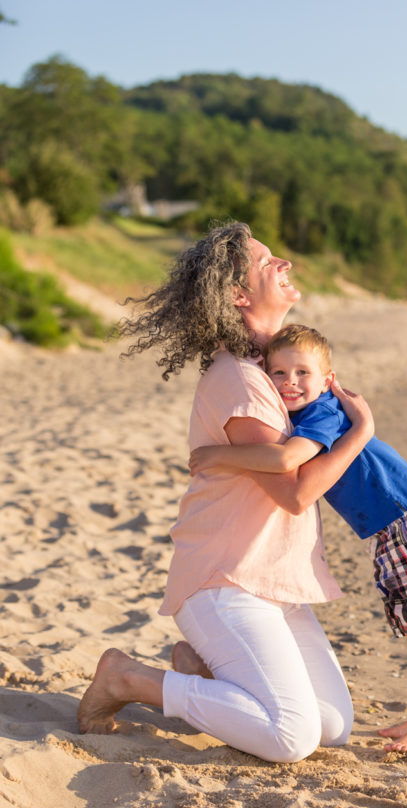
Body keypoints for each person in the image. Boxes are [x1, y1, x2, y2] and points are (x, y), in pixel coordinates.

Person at [78, 223, 375, 763]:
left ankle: (209, 671)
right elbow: (293, 493)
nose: (283, 262)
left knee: (332, 726)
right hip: (225, 582)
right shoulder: (240, 379)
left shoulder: (275, 373)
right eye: (267, 263)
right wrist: (360, 433)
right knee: (291, 736)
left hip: (273, 583)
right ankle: (128, 678)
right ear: (239, 295)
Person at [188, 324, 407, 756]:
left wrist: (219, 453)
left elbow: (289, 458)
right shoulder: (306, 412)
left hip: (401, 517)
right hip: (390, 519)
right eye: (278, 373)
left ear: (328, 380)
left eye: (301, 373)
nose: (289, 383)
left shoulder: (323, 413)